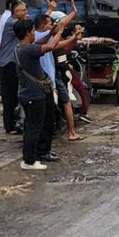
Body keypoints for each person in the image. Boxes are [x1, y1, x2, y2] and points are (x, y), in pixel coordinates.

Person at [14, 18, 65, 171]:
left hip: (29, 94)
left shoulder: (21, 48)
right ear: (28, 33)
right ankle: (29, 161)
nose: (35, 34)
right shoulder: (28, 50)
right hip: (33, 95)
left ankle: (35, 155)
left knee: (34, 126)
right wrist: (60, 32)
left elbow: (41, 42)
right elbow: (49, 46)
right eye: (33, 31)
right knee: (34, 128)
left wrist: (51, 32)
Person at [0, 0, 53, 133]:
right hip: (8, 62)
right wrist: (49, 12)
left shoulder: (14, 22)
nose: (26, 13)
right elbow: (33, 26)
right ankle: (10, 125)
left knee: (15, 94)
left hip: (12, 60)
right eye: (24, 10)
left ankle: (16, 122)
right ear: (16, 12)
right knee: (10, 95)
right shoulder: (13, 23)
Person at [35, 8, 80, 142]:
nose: (52, 26)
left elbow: (58, 36)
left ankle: (69, 132)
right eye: (49, 24)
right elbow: (57, 36)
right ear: (43, 26)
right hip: (46, 78)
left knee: (60, 104)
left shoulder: (38, 36)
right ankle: (67, 133)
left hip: (51, 76)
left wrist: (71, 36)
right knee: (53, 107)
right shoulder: (39, 38)